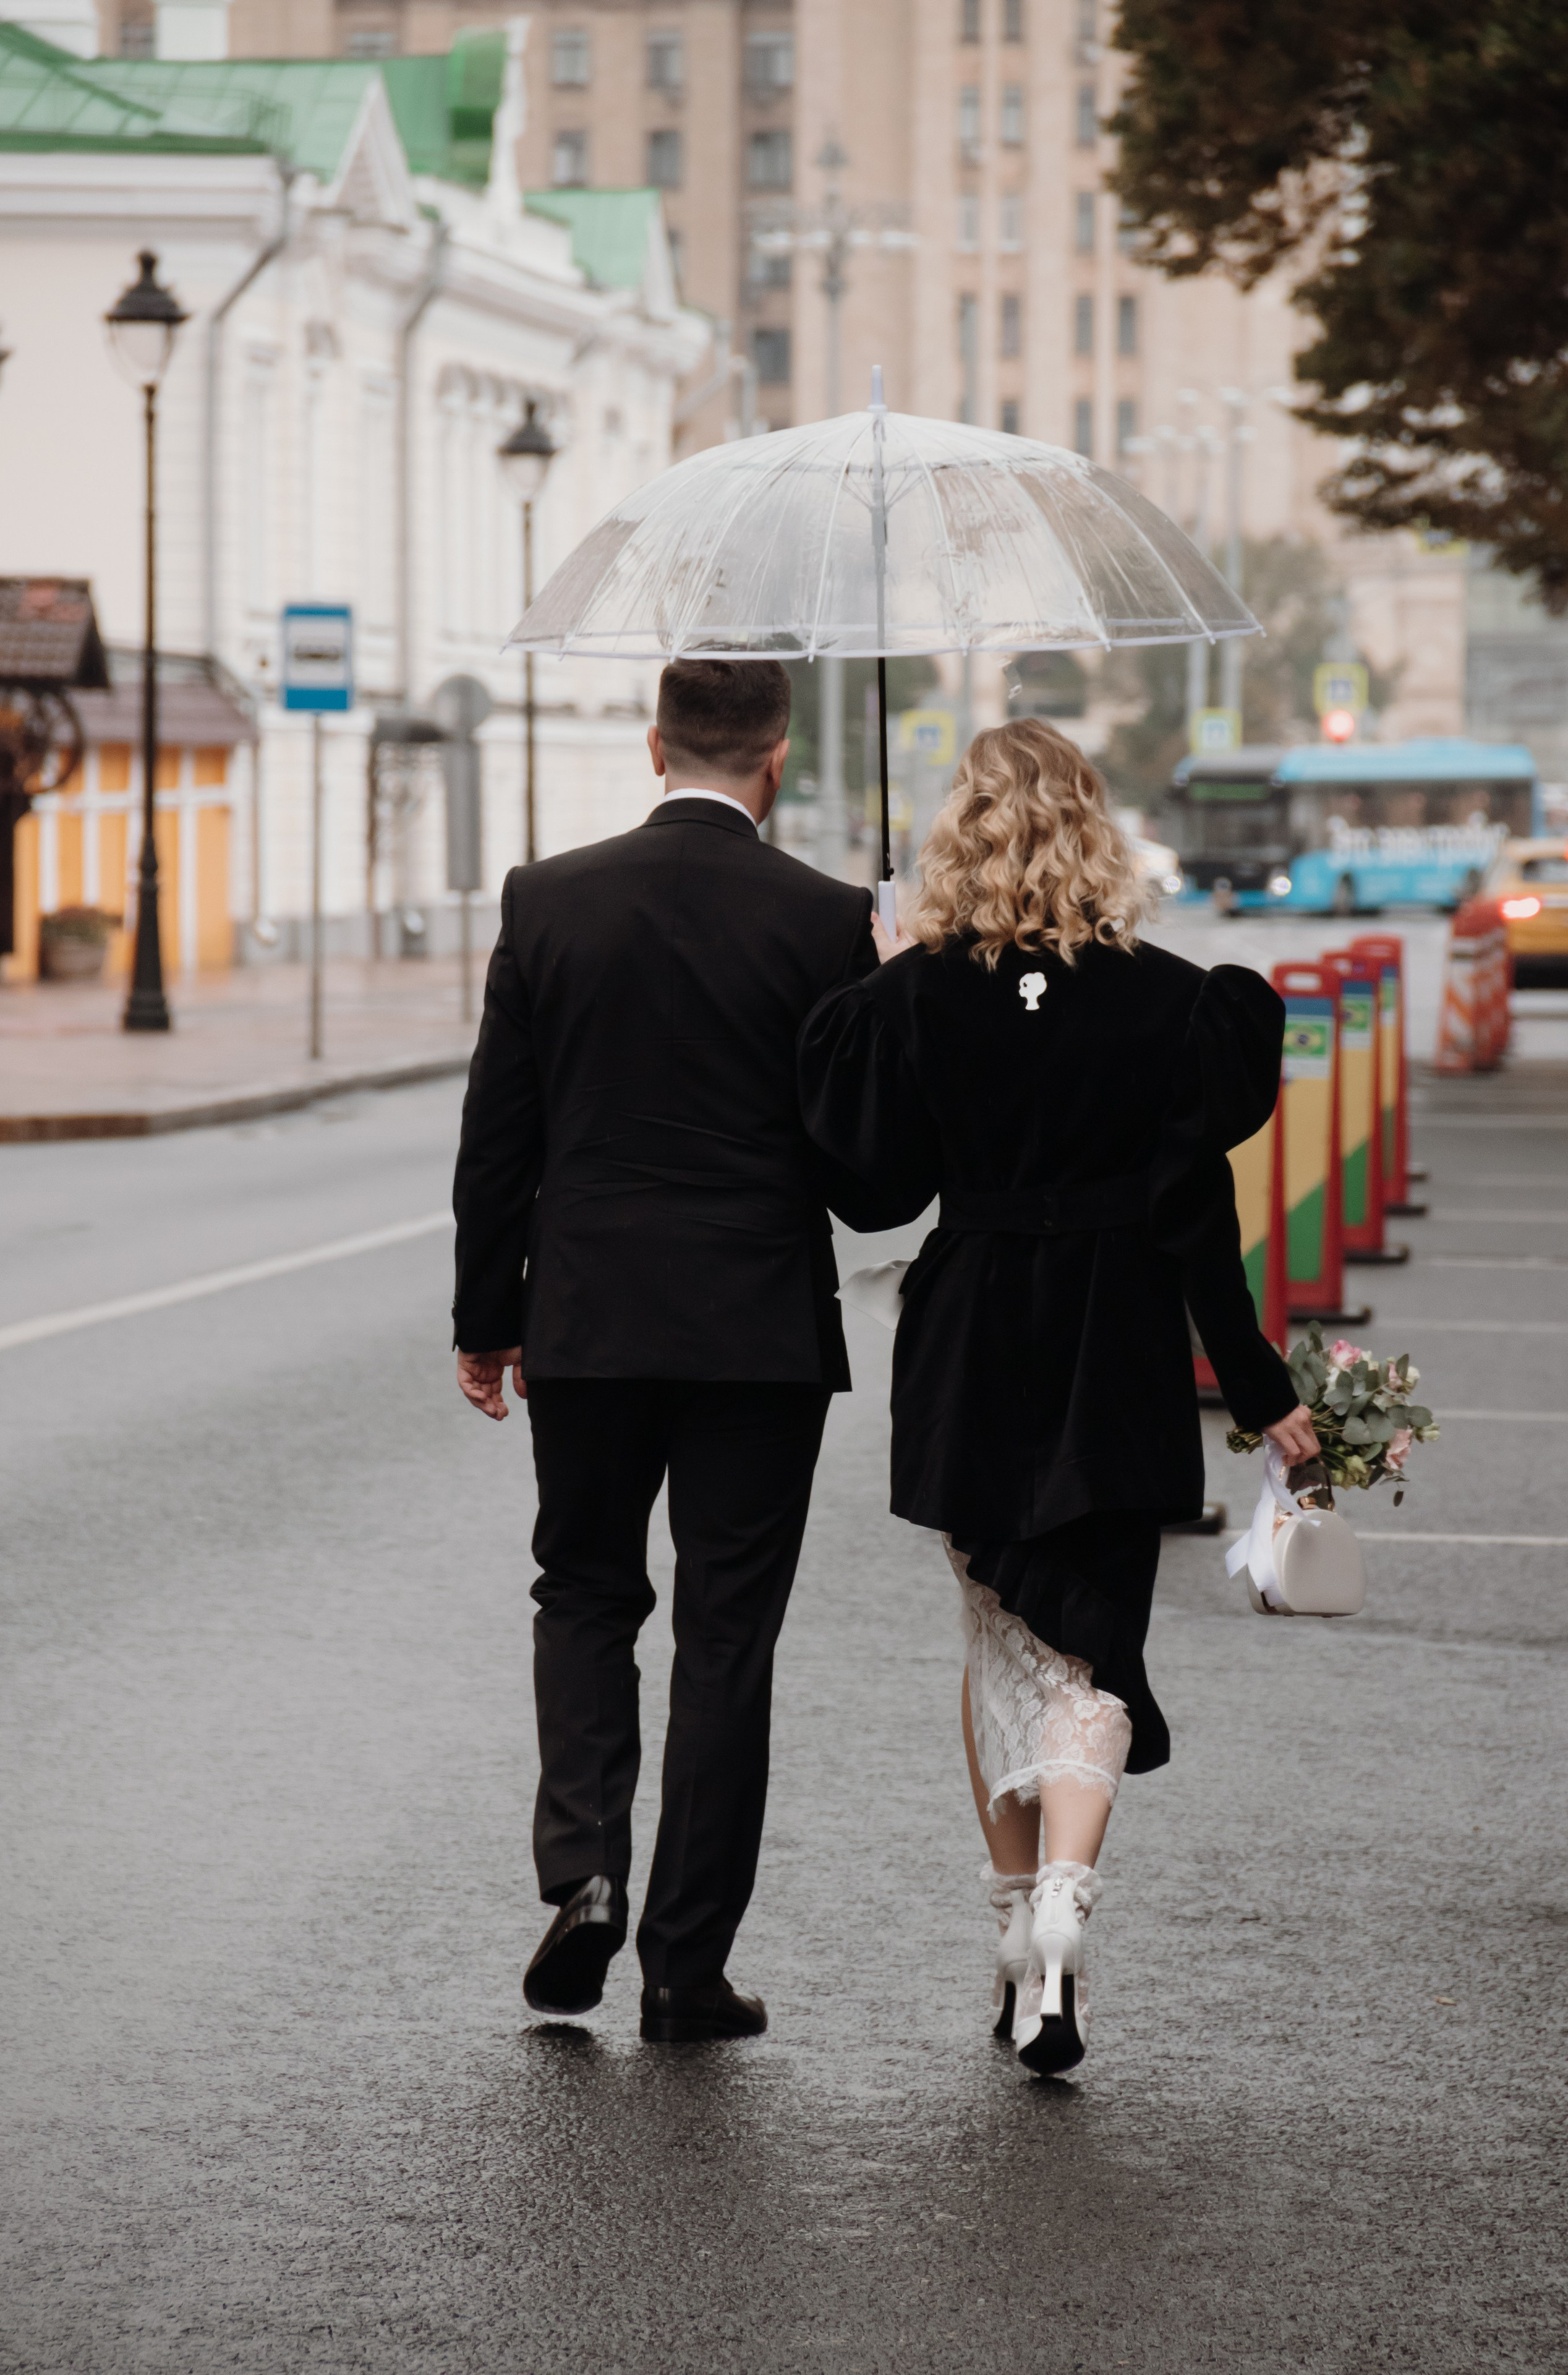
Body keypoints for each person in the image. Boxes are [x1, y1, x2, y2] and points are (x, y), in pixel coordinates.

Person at [796, 717, 1319, 2077]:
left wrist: (885, 989)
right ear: (1093, 827)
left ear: (958, 833)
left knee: (1000, 1643)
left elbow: (871, 1191)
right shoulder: (1173, 1003)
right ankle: (1065, 1920)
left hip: (971, 1335)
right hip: (1117, 1340)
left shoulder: (915, 998)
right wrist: (1262, 1394)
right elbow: (1195, 1217)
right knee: (1094, 1648)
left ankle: (1016, 1939)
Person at [452, 658, 882, 2044]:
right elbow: (862, 1178)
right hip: (756, 1328)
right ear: (777, 756)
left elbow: (495, 1142)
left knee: (581, 1593)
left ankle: (580, 1869)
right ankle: (685, 1970)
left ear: (653, 746)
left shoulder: (548, 897)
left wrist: (485, 1317)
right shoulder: (824, 918)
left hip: (585, 1313)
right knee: (725, 1634)